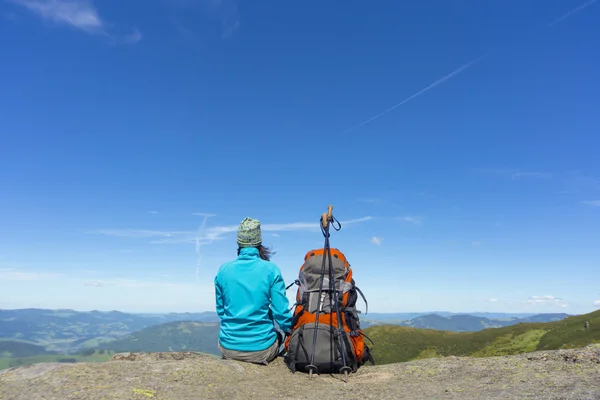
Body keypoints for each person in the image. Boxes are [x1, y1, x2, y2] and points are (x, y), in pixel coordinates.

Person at [214, 217, 293, 365]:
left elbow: (221, 310)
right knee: (278, 336)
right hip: (261, 350)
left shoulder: (223, 270)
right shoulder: (271, 270)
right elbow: (281, 313)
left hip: (228, 347)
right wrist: (291, 330)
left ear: (239, 243)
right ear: (259, 243)